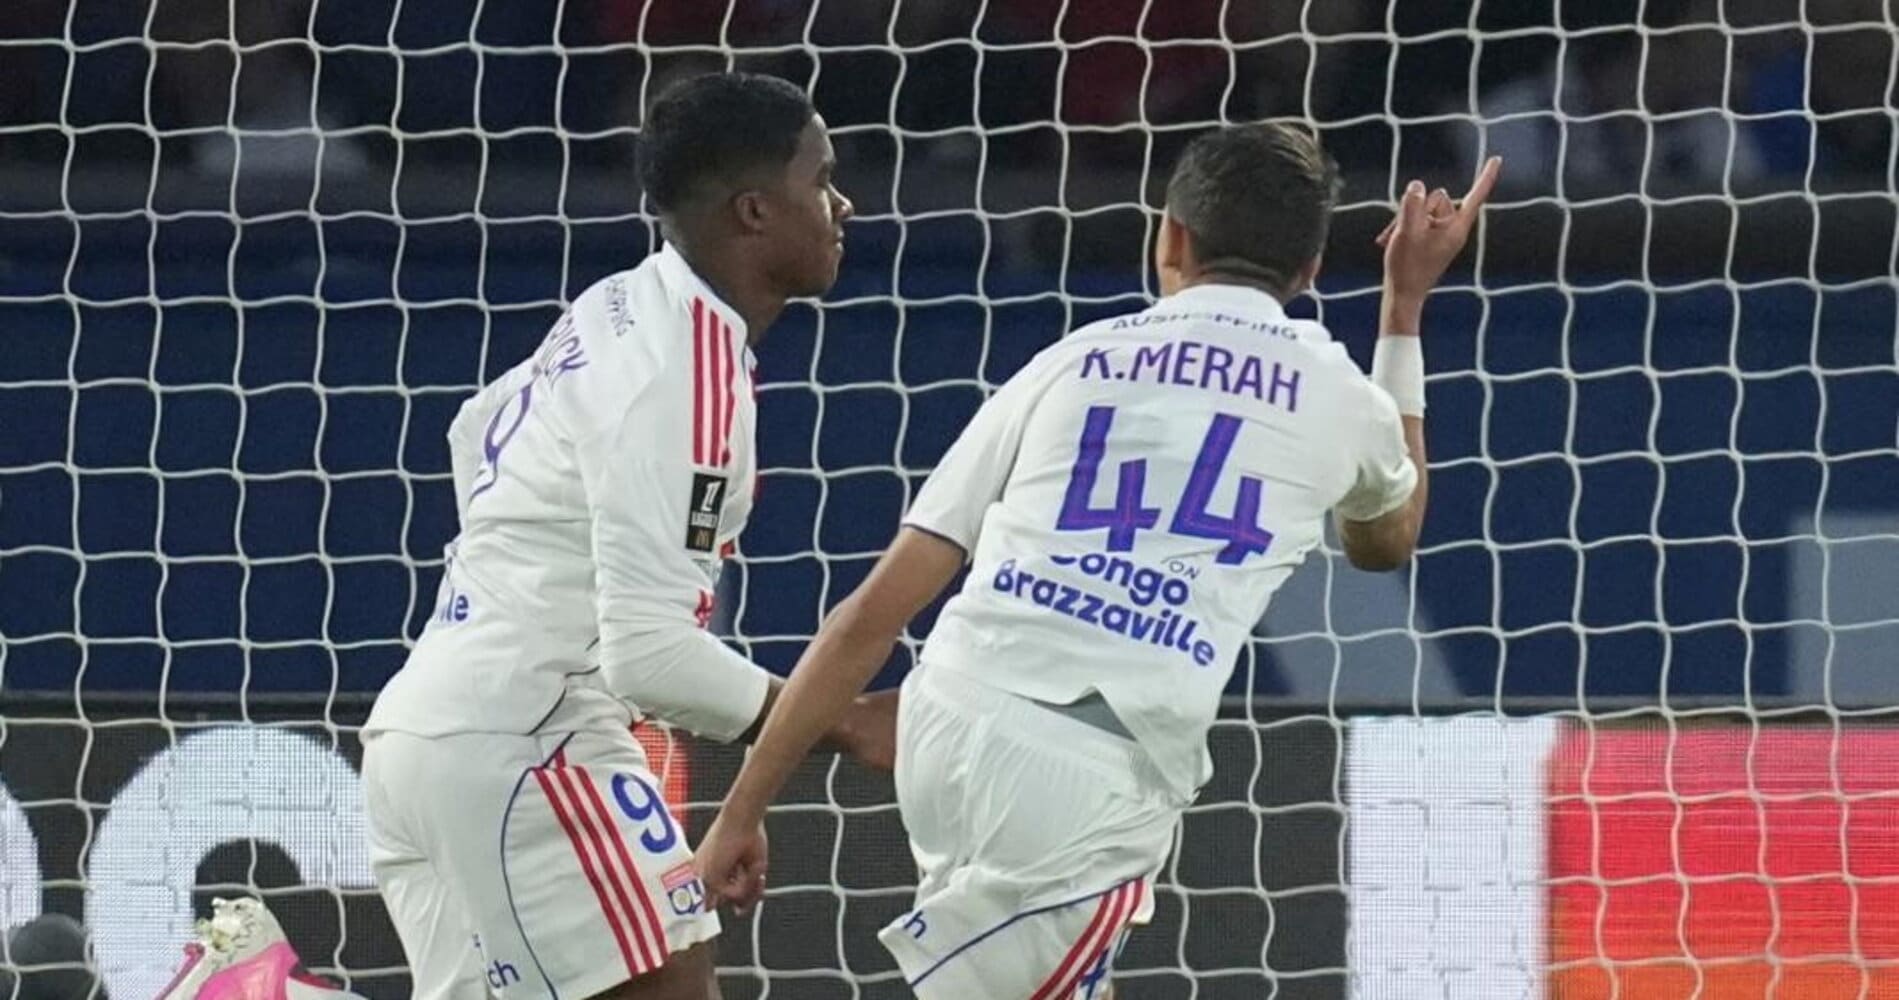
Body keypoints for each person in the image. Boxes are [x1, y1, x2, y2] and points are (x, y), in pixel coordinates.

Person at [695, 123, 1500, 998]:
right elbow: (1384, 540)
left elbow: (872, 611)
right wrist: (1401, 309)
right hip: (1087, 776)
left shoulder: (1071, 361)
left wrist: (742, 809)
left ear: (1171, 237)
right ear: (1308, 270)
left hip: (945, 718)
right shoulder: (1341, 395)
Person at [346, 71, 886, 1000]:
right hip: (531, 744)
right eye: (821, 179)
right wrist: (839, 720)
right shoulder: (683, 367)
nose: (843, 205)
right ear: (755, 210)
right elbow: (650, 656)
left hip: (428, 736)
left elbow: (475, 432)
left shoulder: (619, 305)